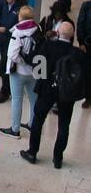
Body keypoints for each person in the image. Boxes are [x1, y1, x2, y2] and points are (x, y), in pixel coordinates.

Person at [21, 20, 85, 167]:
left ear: (58, 32)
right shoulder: (78, 53)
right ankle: (57, 158)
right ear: (72, 35)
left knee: (38, 120)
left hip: (47, 89)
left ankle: (32, 152)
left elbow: (38, 68)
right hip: (67, 94)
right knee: (64, 124)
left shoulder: (48, 46)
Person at [1, 8, 41, 137]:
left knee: (17, 100)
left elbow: (12, 54)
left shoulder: (18, 31)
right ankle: (32, 124)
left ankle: (15, 129)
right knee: (34, 99)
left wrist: (22, 61)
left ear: (20, 17)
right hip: (34, 72)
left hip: (18, 71)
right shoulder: (38, 28)